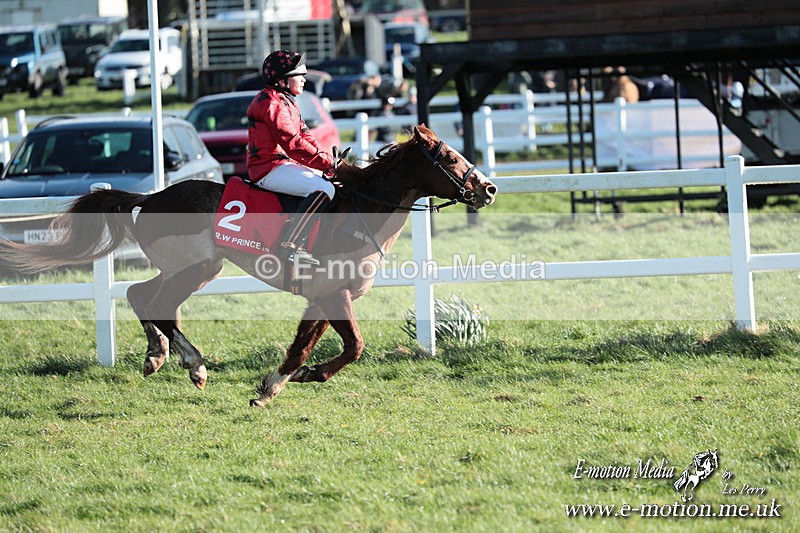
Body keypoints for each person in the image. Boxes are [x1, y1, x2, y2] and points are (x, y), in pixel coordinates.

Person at [247, 49, 335, 266]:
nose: (304, 80)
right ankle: (291, 246)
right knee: (325, 189)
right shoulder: (271, 103)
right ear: (282, 80)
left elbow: (305, 136)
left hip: (281, 165)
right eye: (300, 75)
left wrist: (328, 162)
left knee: (331, 181)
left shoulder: (285, 101)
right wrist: (328, 163)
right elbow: (294, 145)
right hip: (268, 169)